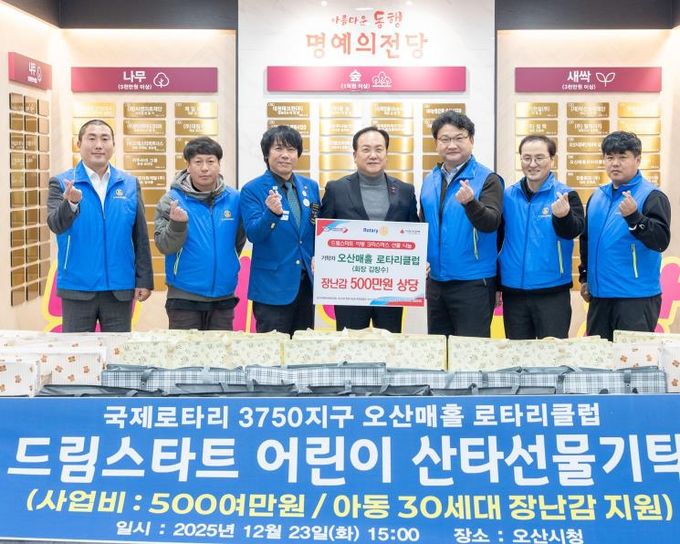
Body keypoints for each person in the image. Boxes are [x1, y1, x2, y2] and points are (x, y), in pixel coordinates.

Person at [47, 119, 153, 332]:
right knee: (76, 351)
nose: (98, 145)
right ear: (79, 144)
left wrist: (144, 279)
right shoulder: (62, 182)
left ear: (113, 144)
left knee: (118, 351)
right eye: (92, 138)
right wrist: (71, 204)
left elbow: (140, 236)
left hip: (119, 287)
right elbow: (55, 224)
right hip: (77, 286)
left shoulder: (129, 184)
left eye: (105, 139)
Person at [320, 126, 419, 332]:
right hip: (349, 288)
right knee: (350, 344)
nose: (373, 155)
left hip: (391, 287)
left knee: (389, 342)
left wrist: (420, 263)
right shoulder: (336, 189)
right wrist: (318, 258)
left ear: (386, 154)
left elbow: (415, 233)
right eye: (366, 149)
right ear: (355, 155)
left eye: (379, 149)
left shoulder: (405, 191)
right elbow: (321, 233)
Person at [579, 131, 671, 341]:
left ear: (637, 160)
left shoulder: (652, 196)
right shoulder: (597, 196)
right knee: (599, 359)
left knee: (633, 359)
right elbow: (586, 241)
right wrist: (585, 278)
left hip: (635, 298)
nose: (615, 163)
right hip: (599, 297)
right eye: (610, 157)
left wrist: (635, 218)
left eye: (622, 157)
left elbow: (660, 241)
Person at [420, 111, 503, 337]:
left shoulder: (488, 179)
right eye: (445, 139)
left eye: (459, 138)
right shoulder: (430, 180)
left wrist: (471, 203)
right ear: (436, 143)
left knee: (470, 352)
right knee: (440, 349)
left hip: (473, 282)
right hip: (436, 282)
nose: (452, 145)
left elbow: (491, 223)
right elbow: (422, 228)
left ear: (471, 140)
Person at [154, 137, 245, 330]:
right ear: (188, 166)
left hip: (223, 297)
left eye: (210, 161)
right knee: (185, 351)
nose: (205, 168)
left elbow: (237, 241)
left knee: (222, 350)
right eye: (198, 162)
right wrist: (177, 225)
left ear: (219, 165)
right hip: (184, 298)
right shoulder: (171, 200)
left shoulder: (235, 199)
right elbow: (164, 246)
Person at [498, 135, 584, 339]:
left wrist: (563, 216)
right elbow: (497, 240)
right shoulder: (507, 196)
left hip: (552, 292)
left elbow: (575, 230)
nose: (532, 164)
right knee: (518, 355)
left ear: (551, 159)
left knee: (552, 355)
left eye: (539, 158)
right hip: (513, 293)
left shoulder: (565, 195)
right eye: (526, 158)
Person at [240, 125, 320, 335]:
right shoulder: (252, 189)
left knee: (302, 349)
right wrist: (270, 214)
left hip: (306, 285)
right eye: (278, 149)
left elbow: (316, 229)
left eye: (291, 149)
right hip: (272, 288)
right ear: (267, 154)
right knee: (273, 351)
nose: (285, 155)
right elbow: (253, 234)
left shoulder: (310, 187)